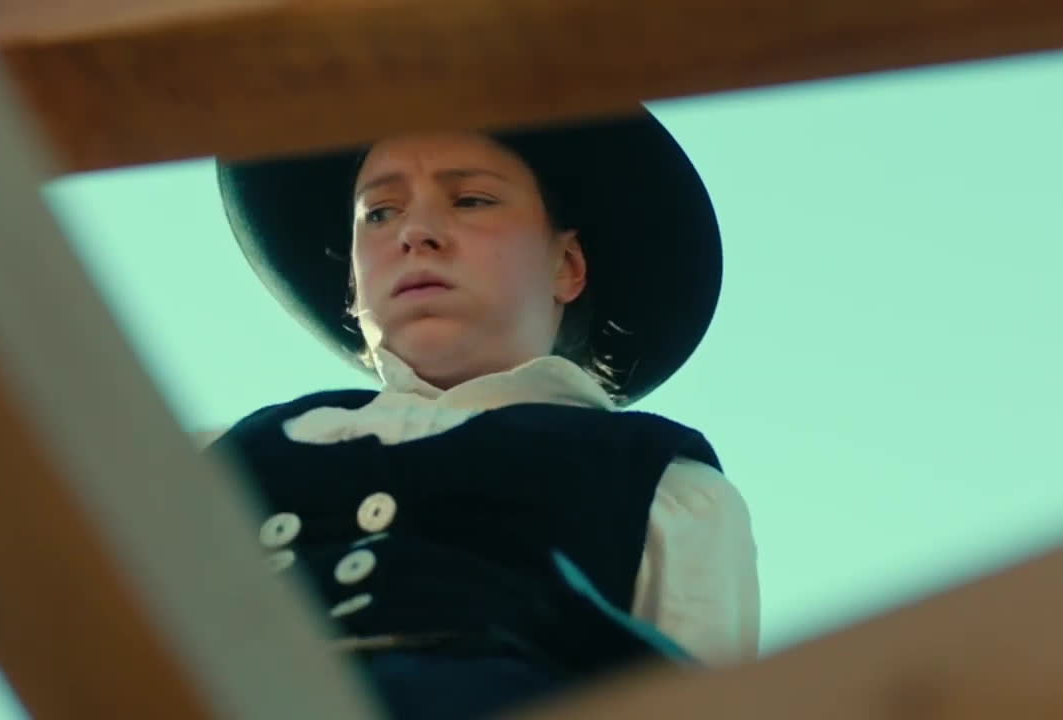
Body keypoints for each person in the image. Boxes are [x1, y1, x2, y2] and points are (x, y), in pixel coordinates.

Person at [203, 108, 760, 719]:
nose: (416, 232)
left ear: (567, 265)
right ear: (354, 284)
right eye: (379, 213)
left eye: (471, 200)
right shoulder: (218, 459)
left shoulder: (664, 488)